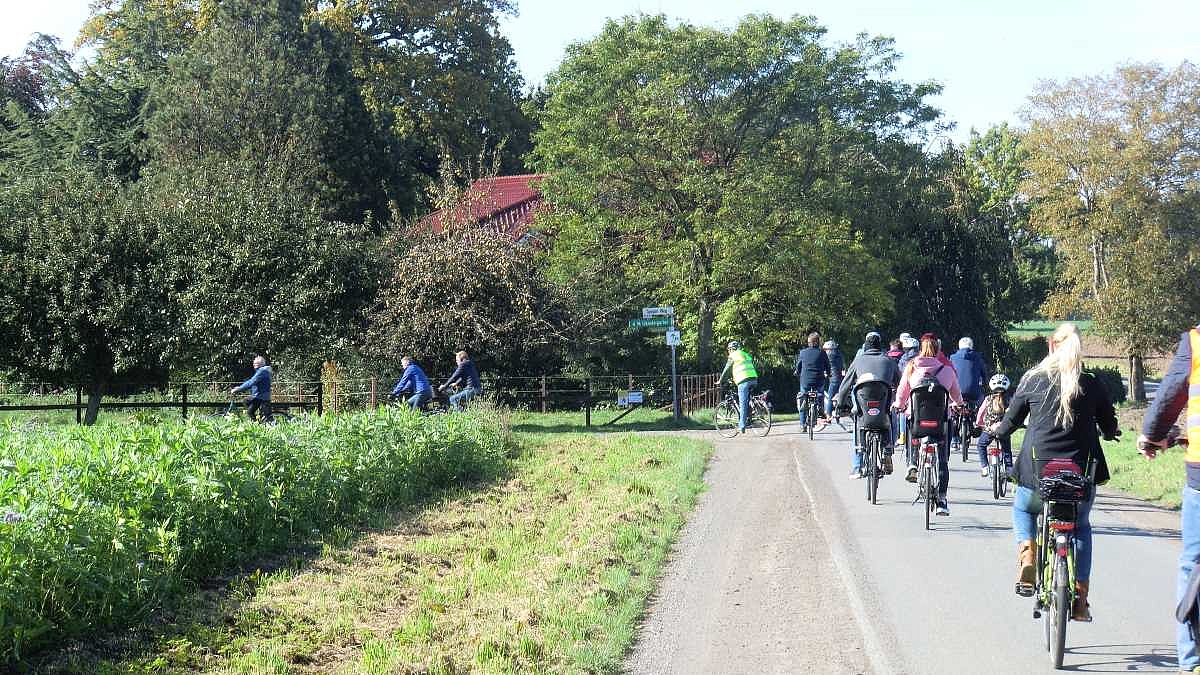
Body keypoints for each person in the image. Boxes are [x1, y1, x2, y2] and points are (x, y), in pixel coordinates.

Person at [990, 322, 1117, 621]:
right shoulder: (1092, 382)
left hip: (1038, 475)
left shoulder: (1033, 379)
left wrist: (998, 430)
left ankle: (1028, 555)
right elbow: (1109, 425)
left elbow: (1009, 422)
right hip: (1079, 477)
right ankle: (1081, 600)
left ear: (1051, 346)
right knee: (1081, 526)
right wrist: (1112, 432)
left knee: (1023, 509)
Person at [1136, 323, 1200, 671]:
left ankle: (1190, 663)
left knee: (1193, 563)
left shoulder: (1196, 341)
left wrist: (1152, 434)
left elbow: (1171, 394)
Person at [894, 333, 964, 515]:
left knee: (910, 425)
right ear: (938, 350)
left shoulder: (911, 368)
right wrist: (959, 405)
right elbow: (956, 396)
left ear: (920, 350)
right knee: (942, 461)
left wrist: (899, 405)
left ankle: (912, 461)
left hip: (918, 422)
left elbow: (902, 393)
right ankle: (941, 499)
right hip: (940, 424)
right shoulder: (947, 371)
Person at [835, 332, 901, 479]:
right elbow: (900, 383)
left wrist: (840, 404)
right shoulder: (889, 361)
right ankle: (888, 450)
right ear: (880, 345)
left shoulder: (858, 361)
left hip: (863, 408)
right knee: (891, 417)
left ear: (866, 345)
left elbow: (845, 385)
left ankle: (858, 466)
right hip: (883, 406)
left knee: (858, 423)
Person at [951, 336, 990, 455]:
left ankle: (954, 439)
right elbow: (984, 374)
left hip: (957, 391)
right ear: (972, 346)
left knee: (952, 412)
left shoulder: (952, 358)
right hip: (974, 392)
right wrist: (985, 384)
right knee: (980, 404)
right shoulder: (978, 358)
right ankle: (977, 422)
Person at [974, 374, 1013, 478]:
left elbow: (981, 413)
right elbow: (1013, 413)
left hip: (990, 430)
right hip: (1003, 429)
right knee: (1006, 449)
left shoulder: (988, 399)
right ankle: (1009, 469)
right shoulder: (1009, 400)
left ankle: (985, 467)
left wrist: (979, 423)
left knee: (981, 445)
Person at [719, 341, 758, 434]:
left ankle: (742, 426)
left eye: (729, 350)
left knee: (743, 403)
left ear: (731, 349)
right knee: (748, 400)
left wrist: (720, 380)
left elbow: (726, 369)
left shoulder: (733, 355)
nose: (728, 352)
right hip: (754, 379)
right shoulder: (746, 354)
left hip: (743, 381)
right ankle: (751, 414)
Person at [794, 332, 830, 432]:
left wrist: (797, 372)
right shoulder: (822, 353)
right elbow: (828, 366)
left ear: (809, 342)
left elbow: (798, 366)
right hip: (818, 381)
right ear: (818, 342)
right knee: (820, 395)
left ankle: (802, 425)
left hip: (805, 381)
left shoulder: (803, 352)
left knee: (802, 399)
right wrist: (829, 374)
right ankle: (821, 410)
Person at [230, 354, 273, 422]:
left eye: (256, 363)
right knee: (246, 402)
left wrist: (238, 389)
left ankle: (256, 424)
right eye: (254, 363)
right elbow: (251, 381)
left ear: (261, 364)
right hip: (260, 396)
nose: (254, 365)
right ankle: (258, 420)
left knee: (249, 411)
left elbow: (251, 382)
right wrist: (240, 387)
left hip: (260, 396)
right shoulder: (261, 371)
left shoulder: (262, 371)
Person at [823, 340, 846, 421]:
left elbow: (825, 367)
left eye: (825, 349)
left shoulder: (829, 356)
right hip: (840, 379)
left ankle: (828, 415)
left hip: (833, 379)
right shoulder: (839, 355)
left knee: (830, 397)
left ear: (830, 349)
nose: (825, 351)